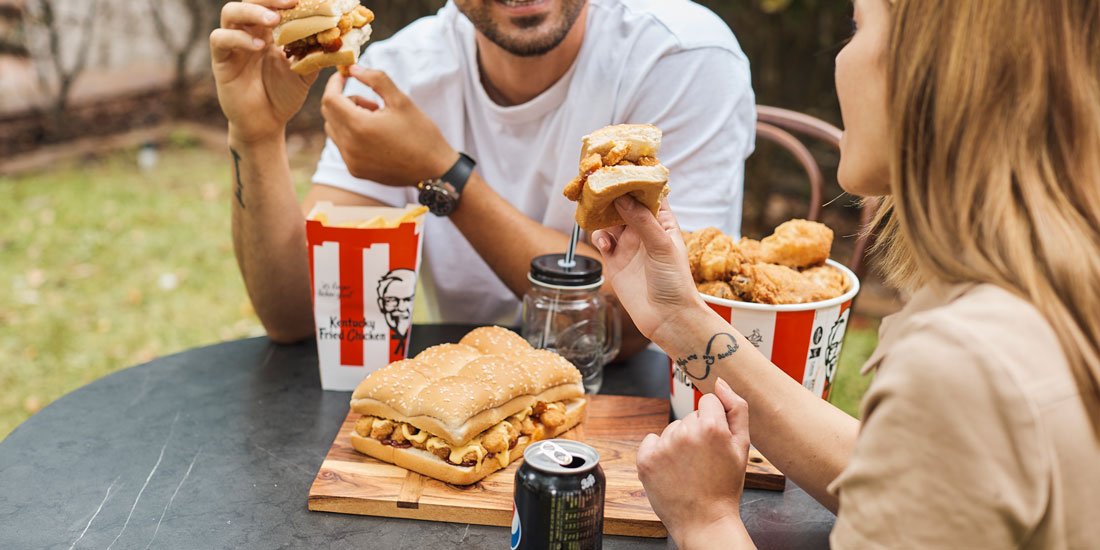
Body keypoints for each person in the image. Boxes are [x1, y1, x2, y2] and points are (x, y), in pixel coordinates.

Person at [592, 0, 1100, 547]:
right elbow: (905, 474)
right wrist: (678, 317)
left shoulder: (961, 365)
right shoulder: (1042, 291)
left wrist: (706, 520)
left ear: (932, 69)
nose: (840, 58)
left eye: (857, 27)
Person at [209, 0, 755, 355]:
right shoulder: (401, 72)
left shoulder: (678, 54)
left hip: (661, 404)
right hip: (469, 395)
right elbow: (300, 313)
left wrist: (443, 175)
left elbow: (650, 318)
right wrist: (255, 135)